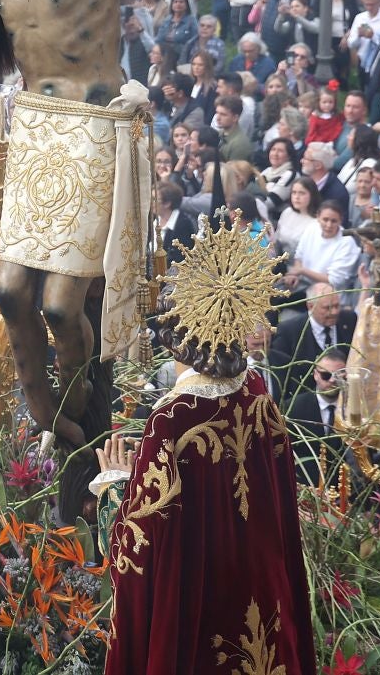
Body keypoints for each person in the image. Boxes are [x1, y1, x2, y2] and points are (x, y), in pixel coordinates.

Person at [93, 219, 314, 675]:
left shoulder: (171, 420)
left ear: (177, 334)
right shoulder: (257, 393)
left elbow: (140, 551)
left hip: (199, 611)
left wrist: (114, 486)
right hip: (260, 590)